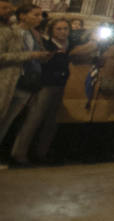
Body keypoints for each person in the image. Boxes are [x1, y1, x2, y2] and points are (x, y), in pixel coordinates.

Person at [10, 17, 95, 165]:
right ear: (52, 31)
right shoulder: (46, 44)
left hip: (62, 85)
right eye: (59, 29)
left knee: (52, 122)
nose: (63, 32)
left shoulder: (71, 45)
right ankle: (19, 153)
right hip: (46, 85)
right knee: (34, 120)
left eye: (65, 29)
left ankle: (42, 153)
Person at [0, 3, 53, 151]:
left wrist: (42, 57)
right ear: (22, 16)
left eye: (40, 15)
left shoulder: (35, 35)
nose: (39, 18)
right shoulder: (9, 32)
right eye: (35, 15)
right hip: (8, 81)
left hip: (26, 83)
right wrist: (30, 55)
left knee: (7, 122)